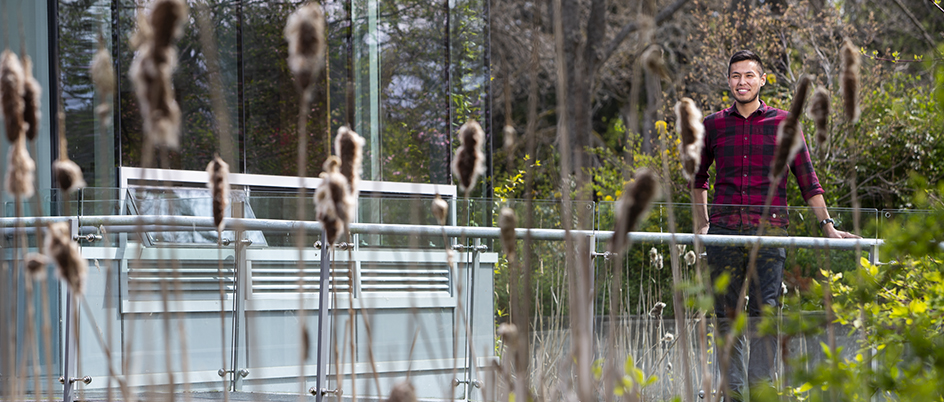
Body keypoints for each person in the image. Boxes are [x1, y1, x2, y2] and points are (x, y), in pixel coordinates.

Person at [691, 50, 859, 401]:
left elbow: (808, 181)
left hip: (768, 234)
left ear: (762, 80)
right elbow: (698, 178)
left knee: (764, 317)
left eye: (749, 75)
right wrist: (703, 224)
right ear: (729, 81)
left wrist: (827, 226)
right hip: (723, 233)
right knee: (726, 319)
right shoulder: (713, 125)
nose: (742, 82)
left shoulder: (786, 124)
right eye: (736, 76)